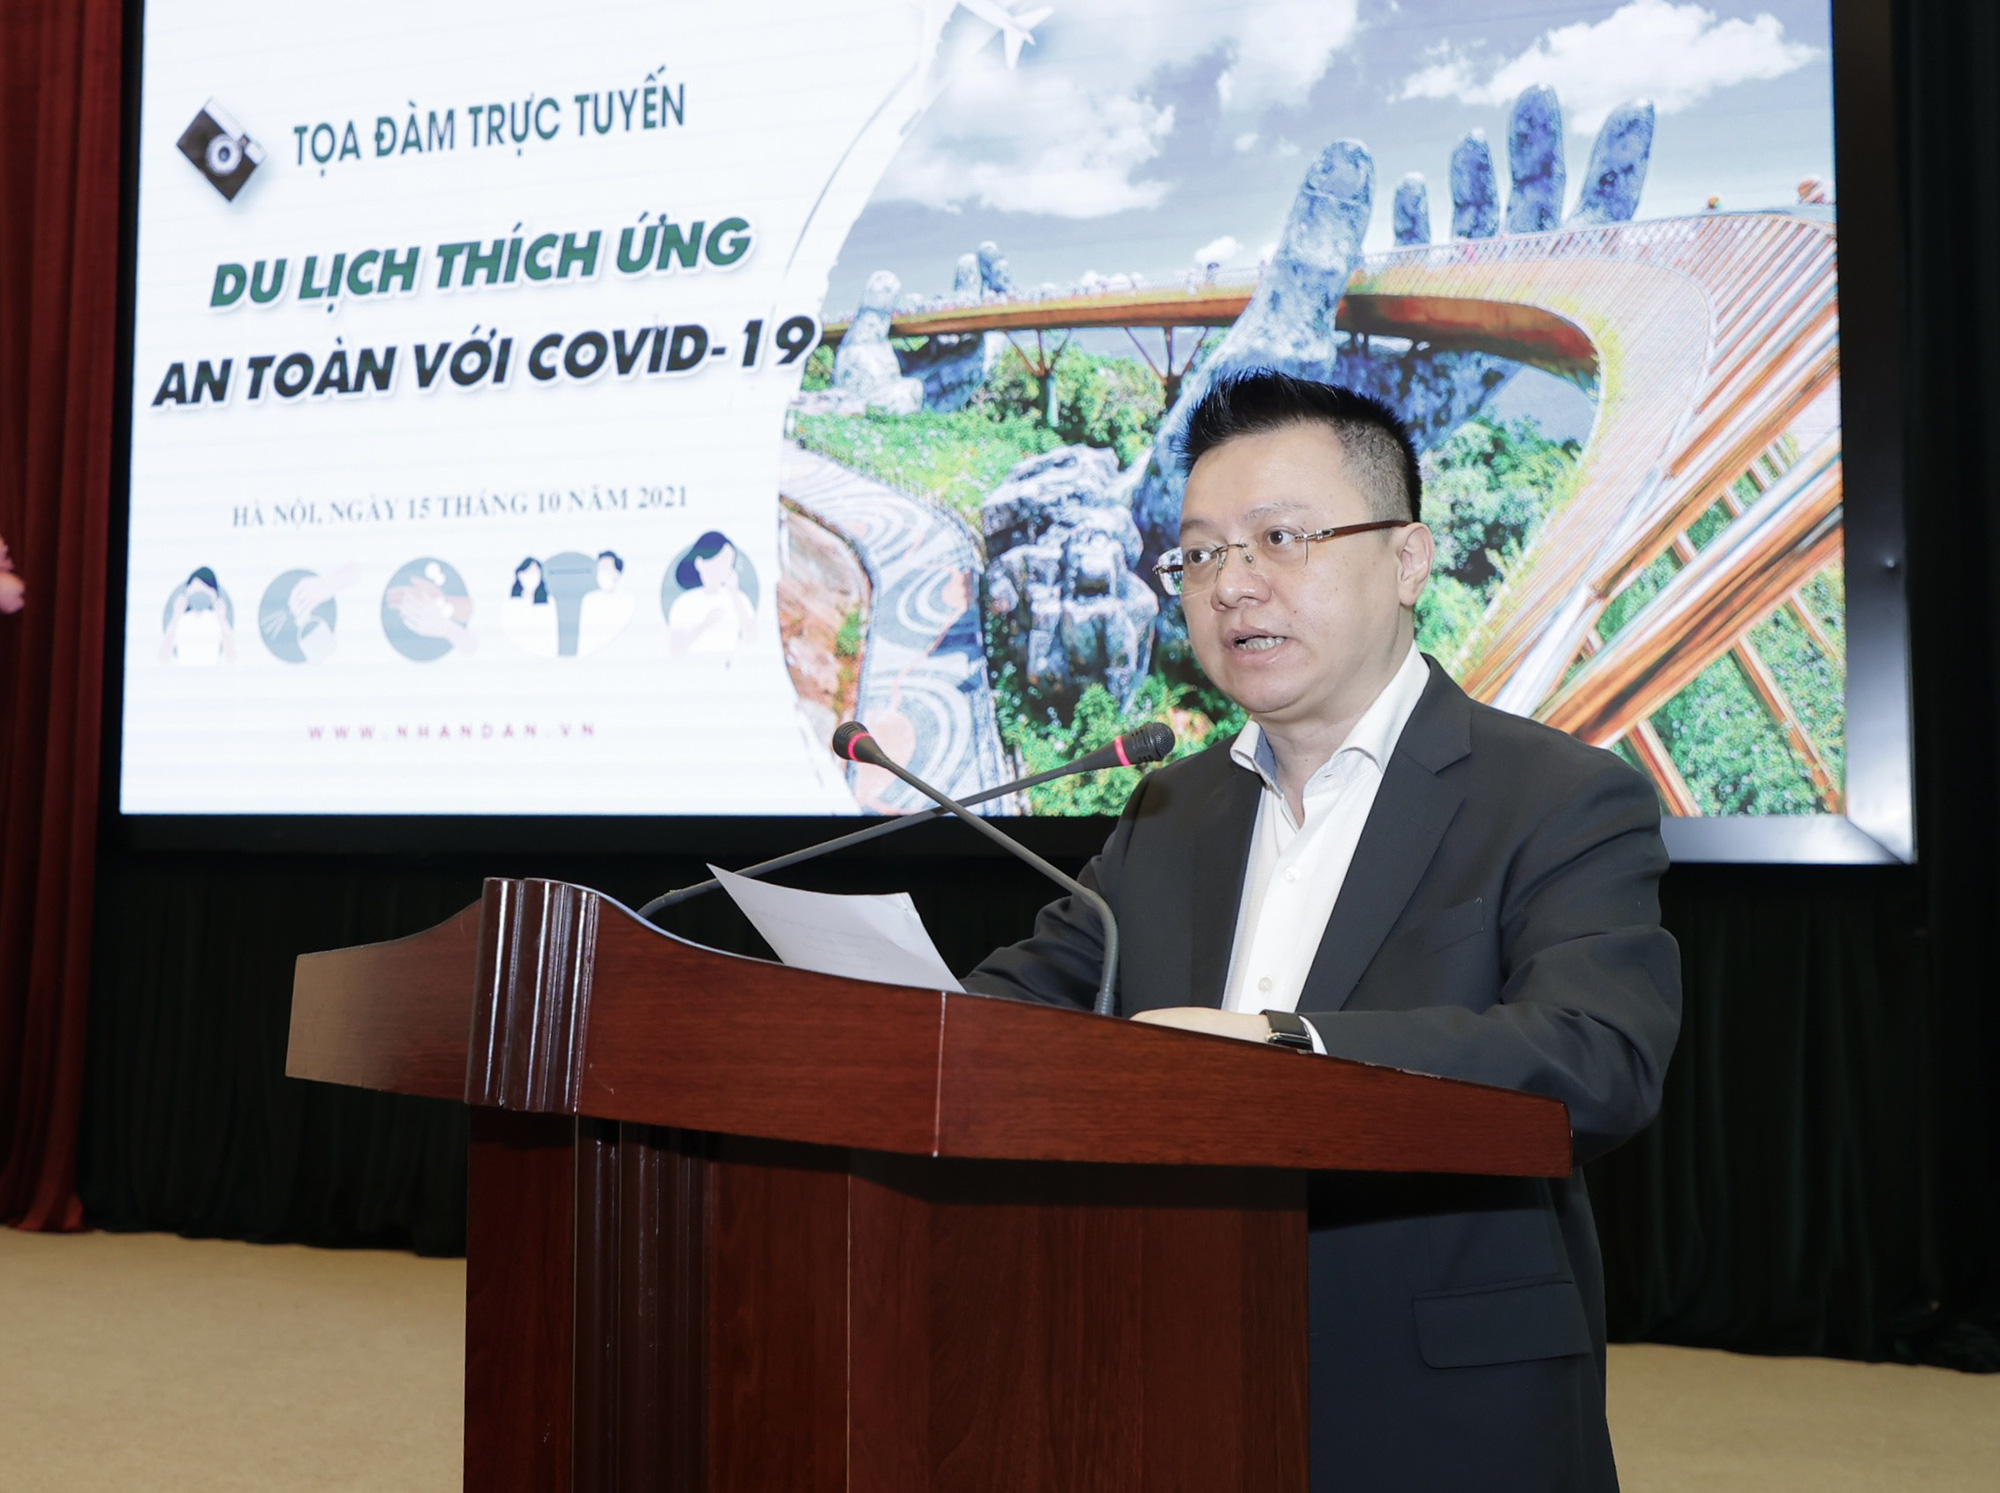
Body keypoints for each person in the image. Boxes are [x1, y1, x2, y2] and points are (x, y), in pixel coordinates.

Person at [965, 371, 1680, 1493]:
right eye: (1199, 554)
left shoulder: (1555, 795)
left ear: (1407, 560)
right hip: (1165, 1381)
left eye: (1279, 537)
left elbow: (1597, 1059)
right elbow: (1018, 1006)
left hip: (1436, 1412)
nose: (1232, 583)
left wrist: (1283, 1050)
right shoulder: (1168, 808)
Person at [667, 531, 756, 657]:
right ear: (700, 563)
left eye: (729, 562)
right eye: (721, 561)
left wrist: (734, 594)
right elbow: (676, 649)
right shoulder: (684, 603)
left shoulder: (740, 599)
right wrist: (705, 624)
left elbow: (751, 638)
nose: (725, 568)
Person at [159, 567, 237, 665]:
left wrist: (222, 618)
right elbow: (163, 657)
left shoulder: (218, 620)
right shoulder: (181, 620)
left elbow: (231, 657)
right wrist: (176, 616)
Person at [576, 549, 636, 655]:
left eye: (606, 568)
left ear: (617, 573)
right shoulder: (589, 599)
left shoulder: (627, 600)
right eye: (600, 568)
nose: (602, 572)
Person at [501, 556, 558, 657]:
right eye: (529, 572)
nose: (532, 576)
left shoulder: (549, 601)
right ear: (520, 574)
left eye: (536, 572)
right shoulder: (511, 602)